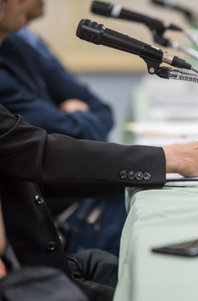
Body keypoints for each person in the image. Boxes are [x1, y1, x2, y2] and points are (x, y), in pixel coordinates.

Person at [0, 1, 198, 300]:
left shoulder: (16, 44)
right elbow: (39, 152)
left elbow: (91, 114)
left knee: (169, 266)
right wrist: (166, 158)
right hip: (31, 260)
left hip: (45, 251)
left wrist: (159, 162)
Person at [0, 0, 121, 255]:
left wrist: (72, 117)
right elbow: (72, 135)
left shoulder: (17, 44)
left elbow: (101, 109)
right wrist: (70, 115)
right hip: (56, 211)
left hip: (65, 194)